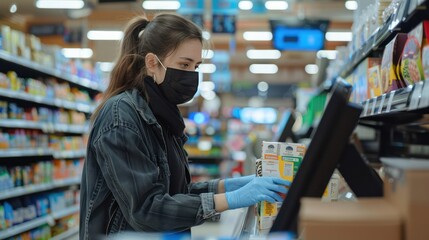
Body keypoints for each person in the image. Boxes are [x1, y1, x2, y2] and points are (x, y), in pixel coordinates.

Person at [79, 13, 290, 239]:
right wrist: (231, 199)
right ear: (152, 63)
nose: (191, 75)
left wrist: (233, 186)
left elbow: (175, 193)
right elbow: (146, 209)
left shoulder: (161, 115)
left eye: (196, 66)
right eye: (184, 64)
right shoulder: (121, 116)